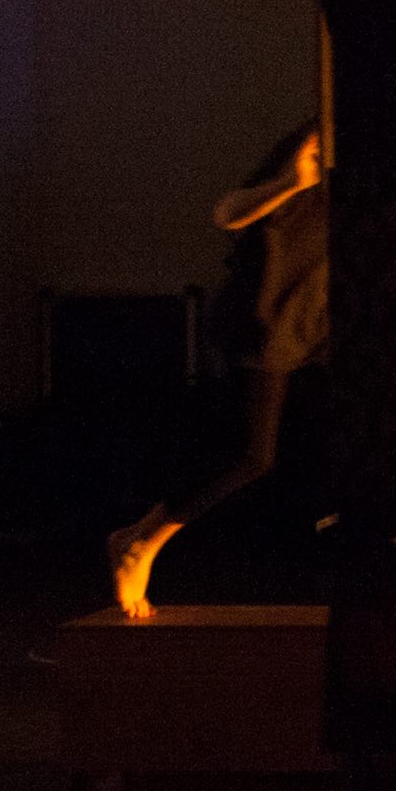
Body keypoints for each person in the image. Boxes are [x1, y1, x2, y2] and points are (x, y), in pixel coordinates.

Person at [107, 121, 329, 618]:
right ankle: (142, 541)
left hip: (319, 326)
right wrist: (291, 183)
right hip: (270, 320)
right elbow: (228, 213)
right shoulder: (316, 143)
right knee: (251, 456)